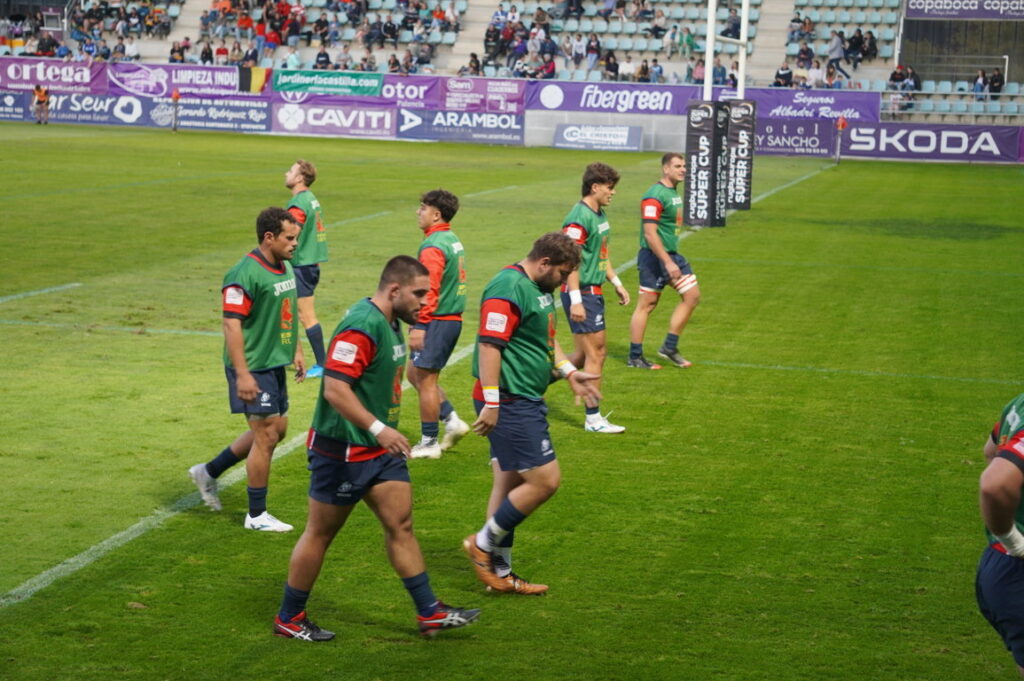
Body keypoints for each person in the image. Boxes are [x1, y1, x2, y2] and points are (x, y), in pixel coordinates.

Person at [274, 256, 481, 641]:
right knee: (320, 533)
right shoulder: (361, 326)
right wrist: (379, 428)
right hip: (344, 450)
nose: (424, 302)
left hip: (379, 451)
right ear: (394, 290)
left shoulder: (391, 322)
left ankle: (429, 612)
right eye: (419, 294)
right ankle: (290, 616)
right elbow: (335, 389)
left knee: (400, 525)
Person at [462, 232, 601, 595]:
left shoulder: (539, 288)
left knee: (509, 483)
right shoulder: (507, 289)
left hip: (523, 396)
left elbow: (544, 336)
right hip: (509, 401)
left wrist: (570, 373)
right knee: (544, 481)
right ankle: (481, 544)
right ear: (544, 264)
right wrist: (492, 403)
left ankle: (500, 573)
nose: (565, 281)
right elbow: (490, 346)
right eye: (563, 273)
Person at [189, 207, 306, 531]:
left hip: (273, 362)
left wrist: (295, 348)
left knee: (275, 431)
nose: (296, 244)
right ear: (269, 237)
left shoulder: (284, 266)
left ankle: (209, 471)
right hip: (252, 367)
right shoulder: (243, 275)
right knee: (266, 435)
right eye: (290, 238)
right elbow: (231, 325)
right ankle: (256, 516)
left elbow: (288, 309)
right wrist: (242, 374)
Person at [560, 163, 630, 434]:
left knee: (581, 355)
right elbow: (570, 261)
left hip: (593, 291)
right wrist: (576, 299)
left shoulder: (599, 214)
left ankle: (533, 383)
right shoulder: (578, 218)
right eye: (610, 188)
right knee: (596, 353)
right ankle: (593, 419)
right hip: (582, 293)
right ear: (595, 187)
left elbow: (600, 253)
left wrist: (617, 282)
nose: (613, 193)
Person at [407, 190, 471, 460]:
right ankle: (451, 420)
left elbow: (429, 289)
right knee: (414, 374)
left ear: (436, 214)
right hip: (448, 319)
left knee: (427, 380)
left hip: (437, 321)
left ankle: (429, 442)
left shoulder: (433, 246)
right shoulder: (450, 238)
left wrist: (420, 324)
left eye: (422, 208)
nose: (418, 212)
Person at [627, 153, 699, 370]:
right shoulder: (654, 195)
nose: (683, 169)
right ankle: (635, 356)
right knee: (646, 305)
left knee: (692, 296)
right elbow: (649, 234)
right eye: (678, 166)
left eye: (684, 165)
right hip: (655, 257)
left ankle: (669, 347)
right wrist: (667, 262)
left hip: (670, 254)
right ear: (665, 169)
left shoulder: (672, 192)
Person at [977, 392, 1024, 675]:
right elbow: (995, 483)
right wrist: (1014, 541)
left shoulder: (1019, 402)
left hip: (1000, 565)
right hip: (1018, 568)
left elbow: (990, 450)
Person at [285, 160, 330, 378]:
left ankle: (322, 364)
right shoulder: (311, 199)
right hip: (310, 264)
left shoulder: (299, 204)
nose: (286, 173)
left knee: (306, 315)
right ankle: (287, 356)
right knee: (286, 311)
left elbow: (293, 232)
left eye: (291, 170)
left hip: (301, 266)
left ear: (300, 177)